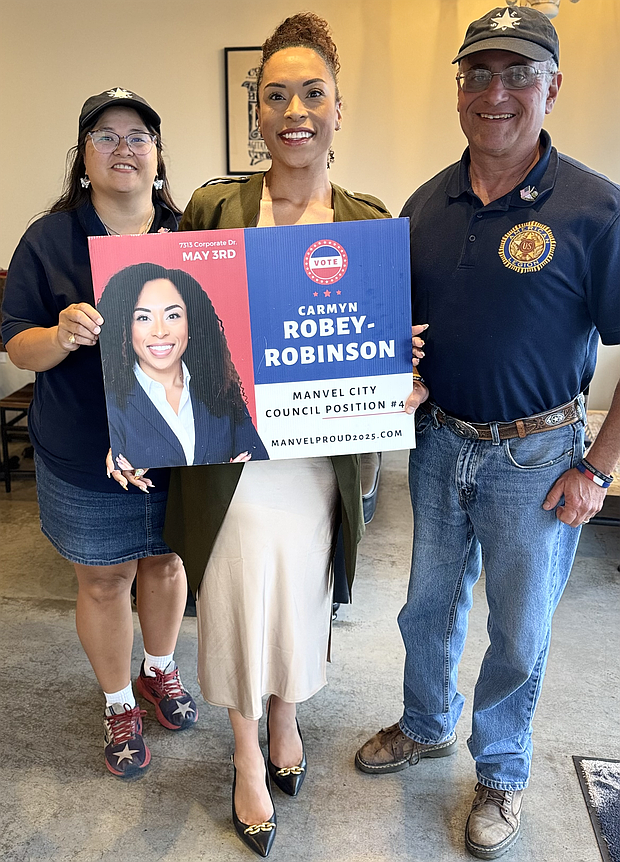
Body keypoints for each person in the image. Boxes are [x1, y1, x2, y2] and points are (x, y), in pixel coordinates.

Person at [151, 13, 426, 856]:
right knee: (235, 597)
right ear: (257, 113)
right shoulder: (213, 205)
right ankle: (243, 753)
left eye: (313, 92)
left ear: (339, 109)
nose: (294, 109)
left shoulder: (368, 220)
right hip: (235, 461)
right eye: (276, 95)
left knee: (303, 592)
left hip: (320, 463)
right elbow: (177, 317)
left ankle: (285, 714)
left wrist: (400, 374)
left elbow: (387, 344)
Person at [355, 7, 620, 859]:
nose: (494, 92)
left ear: (550, 86)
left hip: (538, 456)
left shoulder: (594, 208)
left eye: (516, 73)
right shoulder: (424, 204)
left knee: (521, 627)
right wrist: (398, 367)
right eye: (477, 74)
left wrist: (600, 469)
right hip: (438, 443)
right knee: (426, 605)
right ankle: (427, 724)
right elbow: (402, 333)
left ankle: (501, 770)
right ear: (459, 88)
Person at [1, 88, 198, 780]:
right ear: (83, 159)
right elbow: (16, 347)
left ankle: (160, 669)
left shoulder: (194, 233)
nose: (124, 148)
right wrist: (57, 335)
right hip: (87, 453)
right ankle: (120, 702)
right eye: (106, 136)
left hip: (181, 447)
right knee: (107, 581)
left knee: (169, 564)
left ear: (158, 156)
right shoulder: (49, 239)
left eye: (139, 135)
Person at [96, 262, 267, 468]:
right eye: (143, 317)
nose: (160, 331)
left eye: (173, 316)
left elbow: (258, 465)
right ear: (124, 327)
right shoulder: (111, 400)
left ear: (191, 321)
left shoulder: (220, 388)